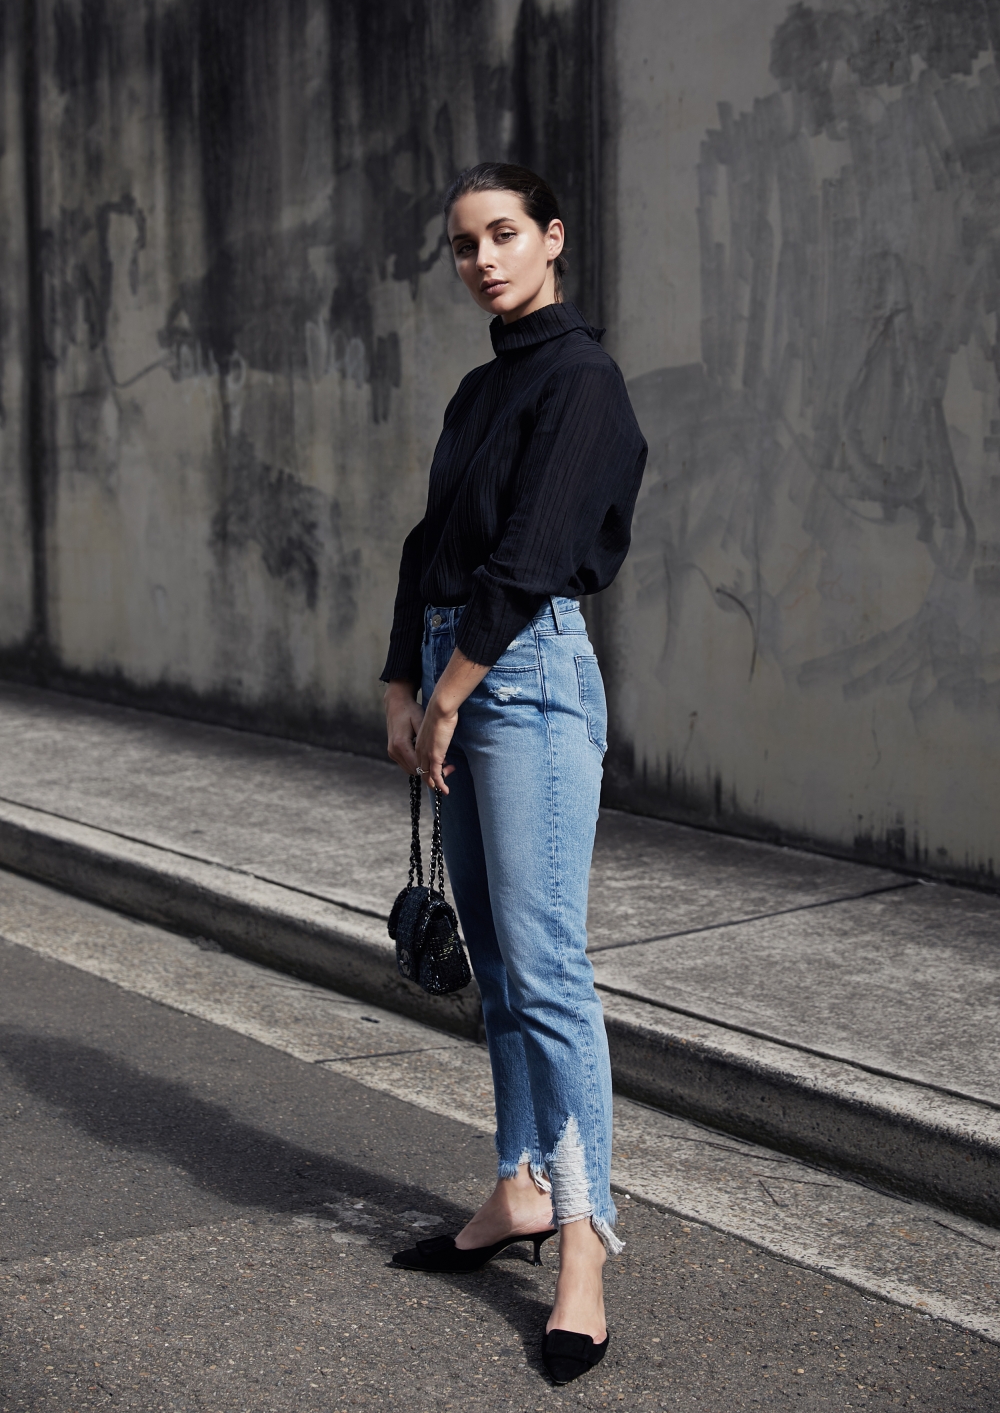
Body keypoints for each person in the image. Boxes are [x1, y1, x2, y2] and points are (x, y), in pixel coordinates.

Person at [381, 162, 647, 1386]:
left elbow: (536, 548)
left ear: (552, 239)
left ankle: (584, 1241)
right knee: (494, 957)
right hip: (457, 664)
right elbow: (429, 541)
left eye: (503, 235)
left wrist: (451, 687)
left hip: (523, 677)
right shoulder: (484, 385)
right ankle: (520, 1187)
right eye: (461, 245)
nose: (482, 259)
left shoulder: (581, 380)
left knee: (545, 968)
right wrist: (402, 679)